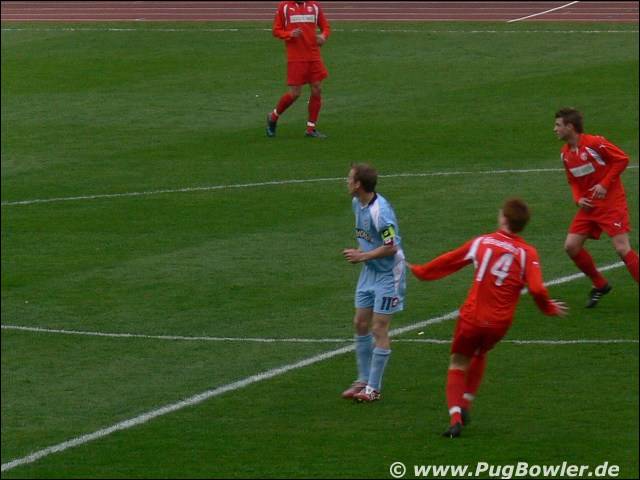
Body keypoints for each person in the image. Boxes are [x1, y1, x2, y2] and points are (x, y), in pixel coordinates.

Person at [409, 198, 567, 438]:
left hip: (472, 317)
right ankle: (466, 402)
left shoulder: (482, 242)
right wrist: (547, 307)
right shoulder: (527, 253)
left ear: (503, 218)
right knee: (480, 353)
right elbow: (536, 289)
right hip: (499, 324)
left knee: (458, 362)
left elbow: (450, 260)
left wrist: (422, 272)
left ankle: (455, 418)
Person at [554, 108, 639, 307]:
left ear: (570, 126)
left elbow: (622, 159)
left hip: (611, 204)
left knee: (622, 248)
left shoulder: (594, 143)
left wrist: (604, 184)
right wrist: (578, 199)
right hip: (589, 207)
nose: (554, 129)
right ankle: (600, 285)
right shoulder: (565, 154)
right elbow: (572, 181)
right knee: (571, 246)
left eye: (558, 125)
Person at [341, 163, 406, 403]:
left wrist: (363, 256)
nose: (347, 182)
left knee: (378, 328)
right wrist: (363, 254)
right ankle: (363, 379)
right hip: (370, 271)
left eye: (350, 178)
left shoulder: (381, 212)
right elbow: (369, 239)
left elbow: (392, 247)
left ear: (358, 184)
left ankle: (373, 388)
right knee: (360, 323)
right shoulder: (356, 203)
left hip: (389, 274)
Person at [266, 0, 330, 139]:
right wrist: (289, 34)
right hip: (296, 57)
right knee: (295, 93)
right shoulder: (284, 7)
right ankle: (273, 116)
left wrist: (323, 36)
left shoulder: (314, 6)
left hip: (314, 56)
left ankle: (311, 128)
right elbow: (276, 30)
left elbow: (325, 27)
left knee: (317, 89)